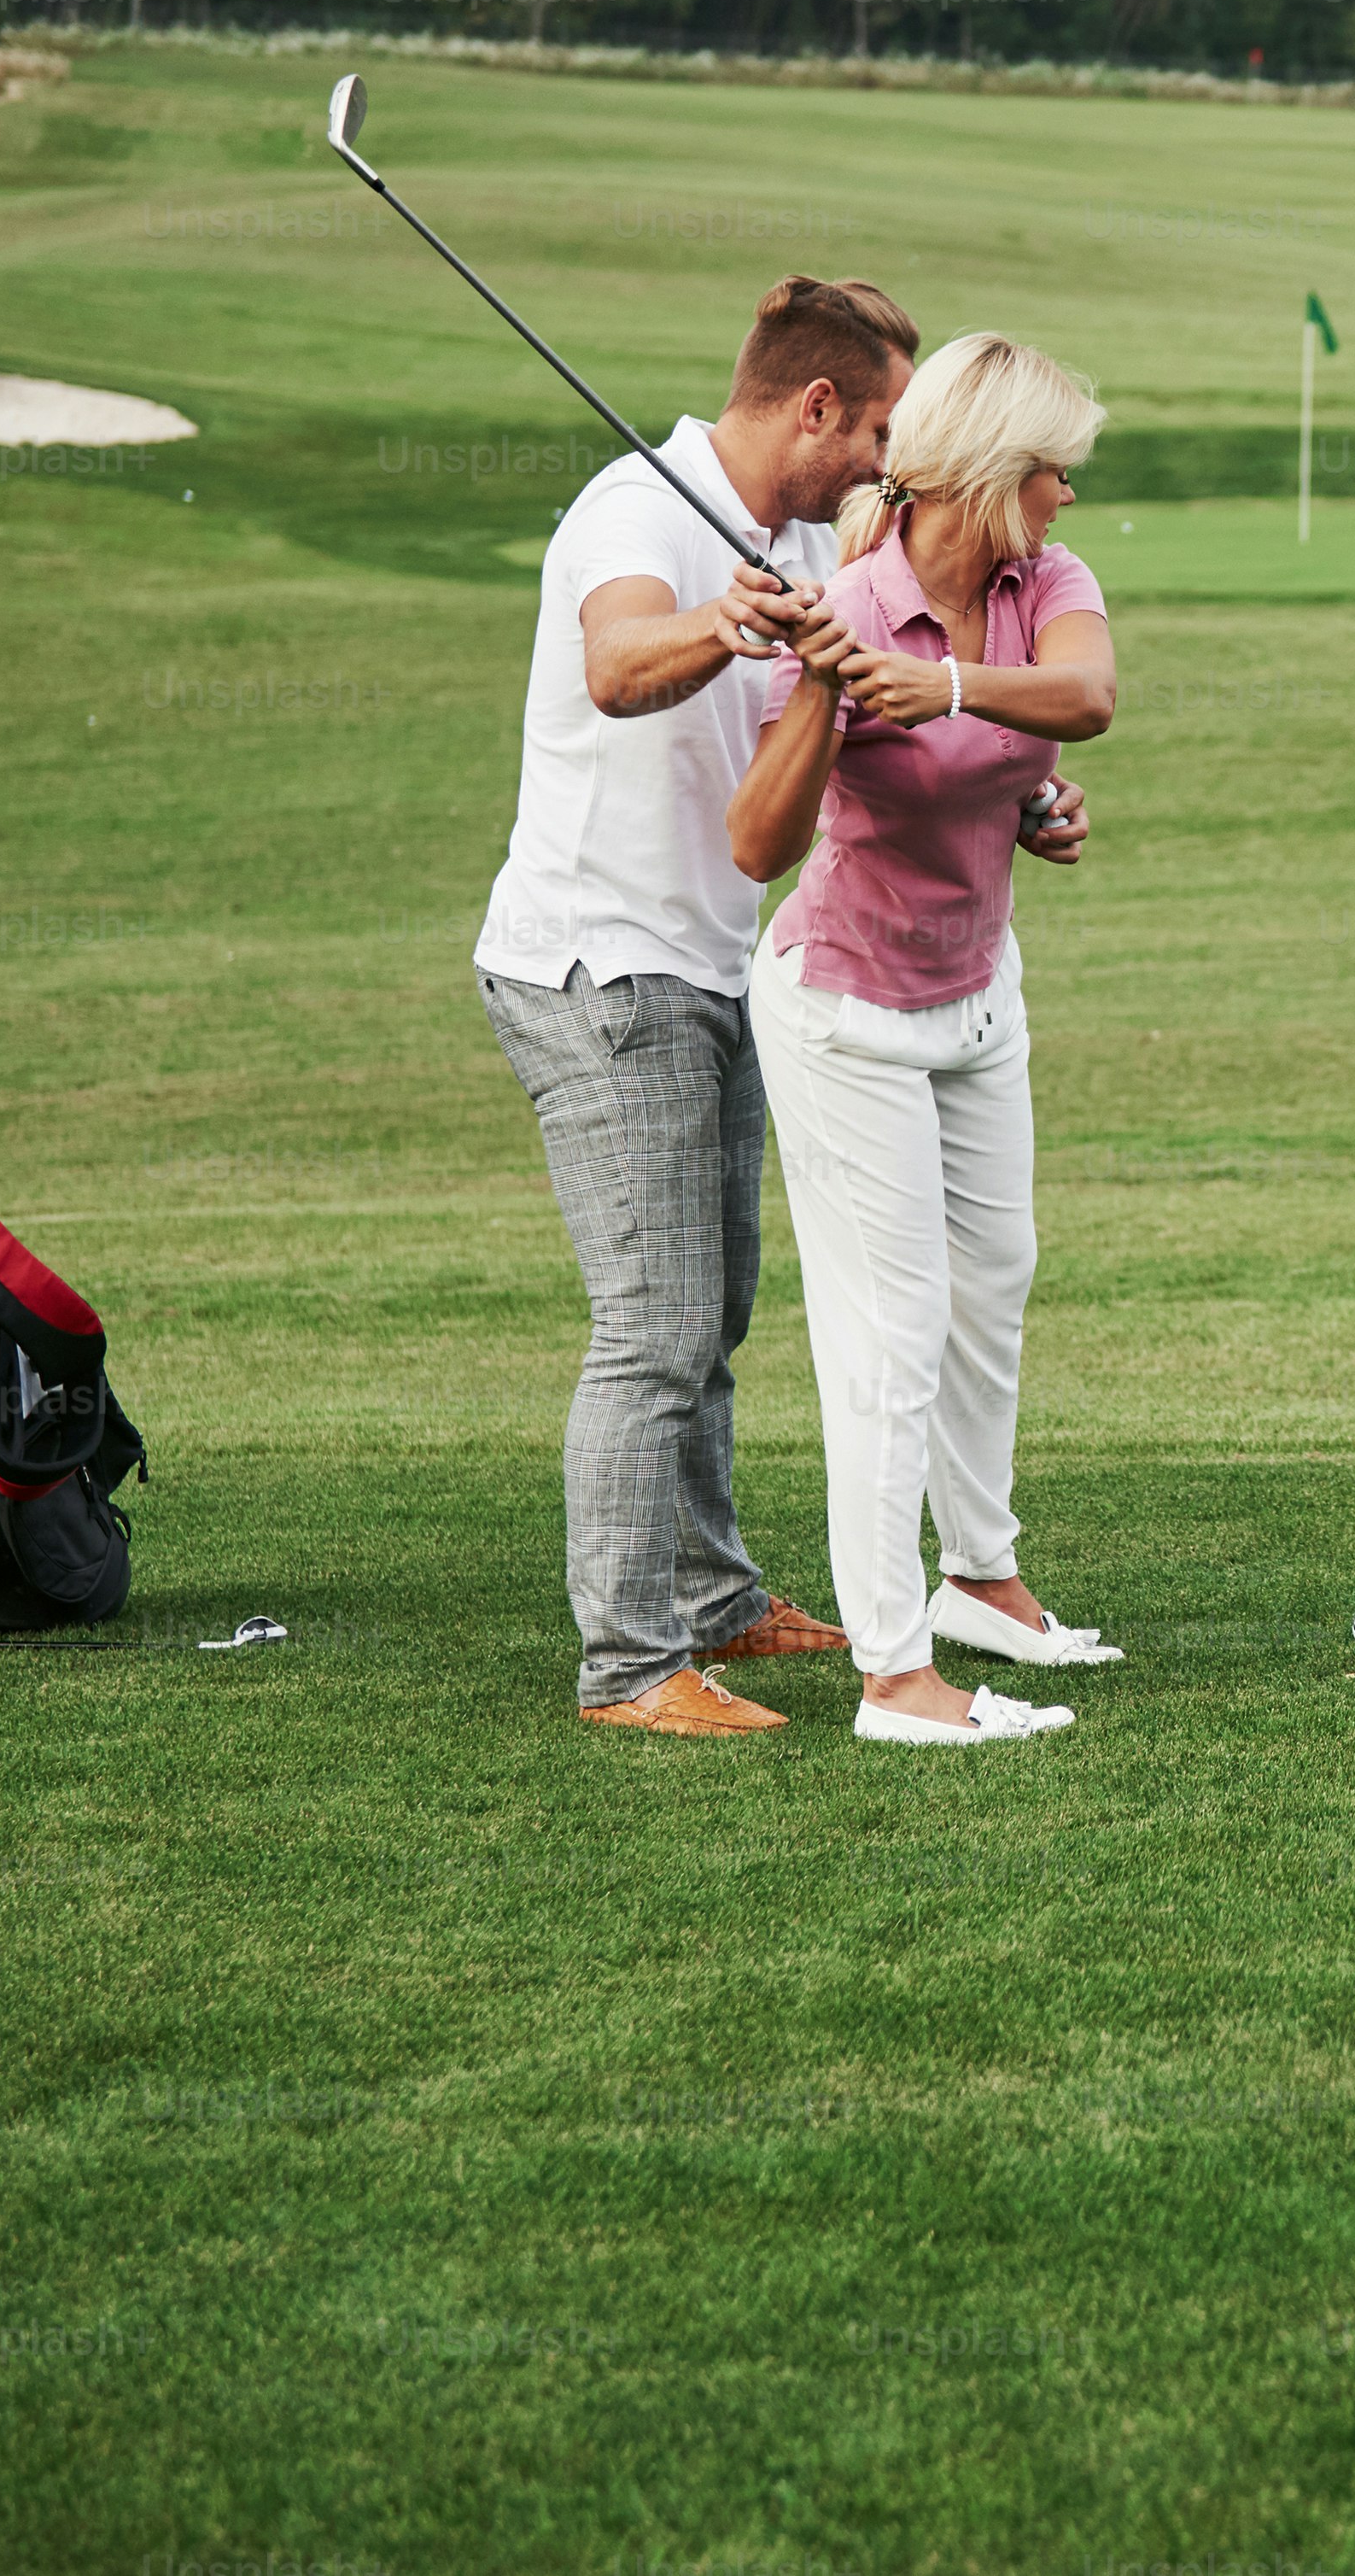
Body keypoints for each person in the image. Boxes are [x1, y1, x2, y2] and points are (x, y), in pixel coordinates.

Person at [477, 275, 917, 1735]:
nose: (886, 464)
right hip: (602, 971)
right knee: (652, 1328)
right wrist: (723, 625)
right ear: (814, 407)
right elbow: (615, 668)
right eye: (877, 433)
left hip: (718, 961)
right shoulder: (634, 512)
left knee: (713, 1309)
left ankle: (714, 1594)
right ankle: (629, 1666)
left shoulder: (798, 535)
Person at [730, 333, 1122, 1748]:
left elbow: (1083, 703)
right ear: (986, 474)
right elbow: (755, 843)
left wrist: (1009, 781)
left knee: (994, 1283)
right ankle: (896, 1673)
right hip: (845, 1014)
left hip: (976, 992)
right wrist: (833, 688)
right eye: (1051, 473)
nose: (1069, 499)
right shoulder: (844, 606)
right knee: (888, 1333)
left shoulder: (1042, 588)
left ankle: (981, 1577)